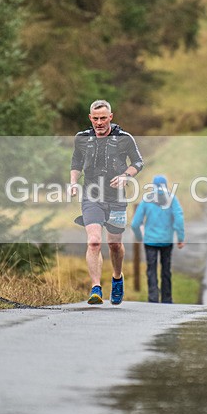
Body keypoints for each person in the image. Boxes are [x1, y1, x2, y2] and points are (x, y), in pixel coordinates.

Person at [70, 99, 144, 305]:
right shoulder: (82, 138)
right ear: (90, 118)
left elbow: (138, 162)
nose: (100, 122)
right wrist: (73, 183)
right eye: (96, 119)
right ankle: (96, 288)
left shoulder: (124, 138)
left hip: (116, 198)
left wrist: (125, 176)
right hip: (91, 196)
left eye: (103, 118)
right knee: (94, 241)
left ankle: (117, 278)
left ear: (110, 117)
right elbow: (76, 161)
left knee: (114, 244)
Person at [131, 175, 185, 303]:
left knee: (151, 269)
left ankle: (153, 299)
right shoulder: (172, 199)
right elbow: (179, 219)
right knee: (166, 270)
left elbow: (135, 223)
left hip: (150, 241)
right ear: (165, 186)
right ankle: (167, 300)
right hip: (166, 241)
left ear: (153, 186)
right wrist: (180, 238)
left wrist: (139, 237)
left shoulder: (146, 200)